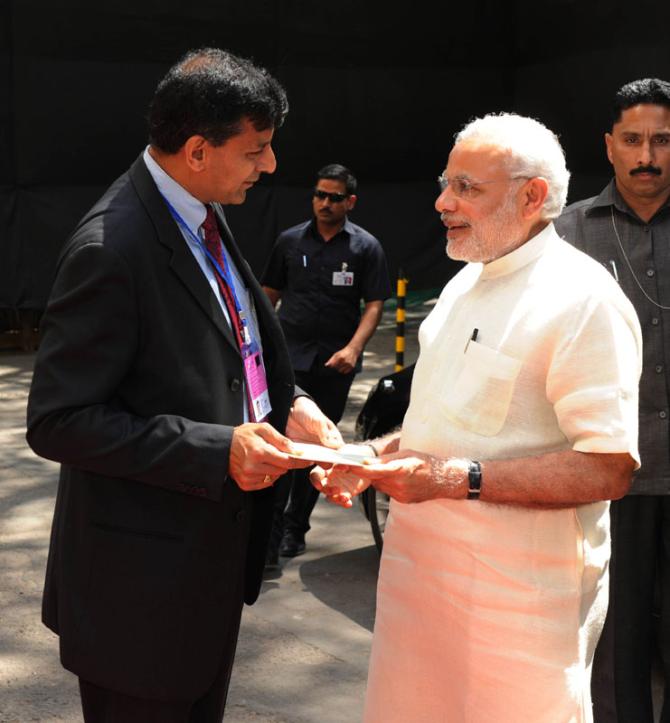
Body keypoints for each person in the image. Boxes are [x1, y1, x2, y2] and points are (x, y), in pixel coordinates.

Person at [26, 48, 342, 723]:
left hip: (204, 572)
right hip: (136, 600)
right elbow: (59, 419)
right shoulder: (109, 250)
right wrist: (217, 447)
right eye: (257, 149)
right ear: (198, 150)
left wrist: (293, 405)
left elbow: (246, 334)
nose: (272, 165)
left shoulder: (199, 206)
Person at [313, 113, 643, 722]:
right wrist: (375, 456)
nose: (442, 202)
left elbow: (607, 469)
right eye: (447, 182)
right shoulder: (463, 284)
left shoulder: (583, 301)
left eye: (468, 187)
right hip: (419, 590)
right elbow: (446, 424)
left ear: (532, 196)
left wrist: (451, 479)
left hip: (515, 615)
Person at [554, 77, 670, 722]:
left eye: (662, 140)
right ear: (609, 146)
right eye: (633, 140)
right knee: (615, 644)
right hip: (606, 472)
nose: (647, 155)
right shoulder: (566, 236)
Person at [261, 164, 391, 560]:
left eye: (334, 197)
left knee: (321, 448)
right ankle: (270, 532)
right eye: (319, 195)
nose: (325, 203)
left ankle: (296, 527)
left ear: (350, 201)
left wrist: (353, 348)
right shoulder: (288, 242)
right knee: (282, 443)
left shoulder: (365, 247)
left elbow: (374, 304)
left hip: (335, 364)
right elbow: (268, 294)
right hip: (289, 363)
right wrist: (263, 349)